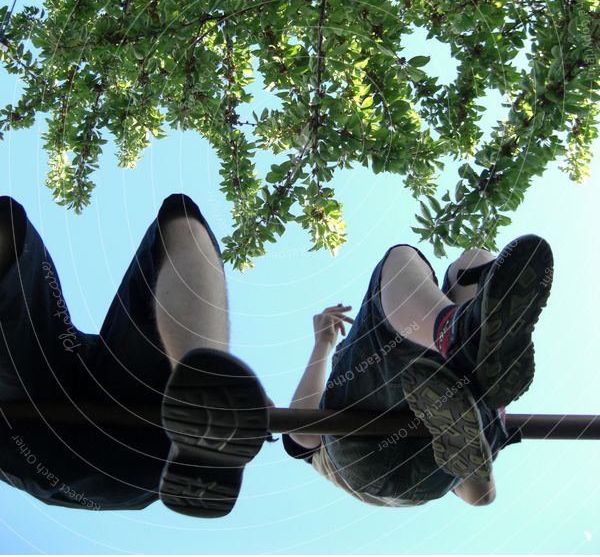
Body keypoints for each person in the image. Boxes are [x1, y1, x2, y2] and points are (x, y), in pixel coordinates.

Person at [0, 193, 269, 517]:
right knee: (8, 223)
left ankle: (204, 389)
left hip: (144, 441)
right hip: (35, 431)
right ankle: (206, 392)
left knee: (180, 216)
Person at [282, 236, 554, 507]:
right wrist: (324, 344)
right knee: (401, 258)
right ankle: (464, 343)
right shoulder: (329, 431)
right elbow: (301, 430)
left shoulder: (453, 421)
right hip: (369, 452)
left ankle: (470, 344)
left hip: (431, 468)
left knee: (473, 261)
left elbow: (480, 497)